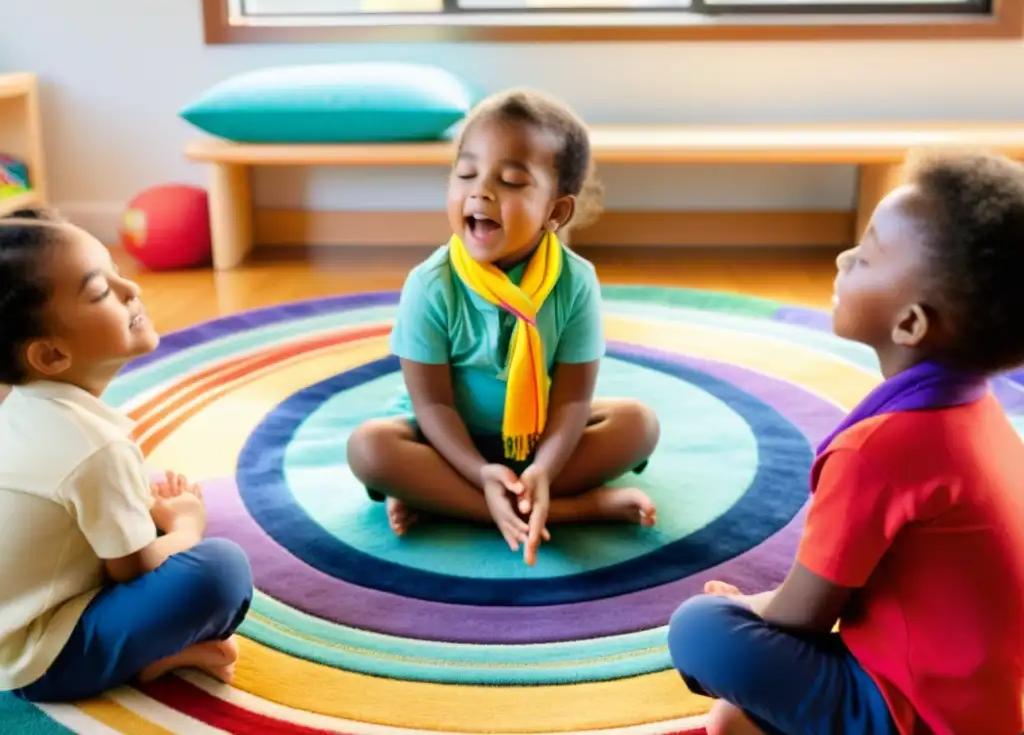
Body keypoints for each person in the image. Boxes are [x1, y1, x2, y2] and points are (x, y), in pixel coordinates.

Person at [667, 150, 1024, 735]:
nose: (841, 257)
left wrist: (744, 611)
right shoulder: (983, 415)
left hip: (903, 713)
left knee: (699, 628)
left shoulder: (878, 451)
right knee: (735, 712)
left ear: (910, 324)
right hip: (971, 705)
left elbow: (801, 616)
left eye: (866, 256)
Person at [347, 88, 661, 566]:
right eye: (466, 173)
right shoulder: (431, 284)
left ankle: (446, 499)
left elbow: (573, 399)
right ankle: (572, 509)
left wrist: (543, 468)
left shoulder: (574, 282)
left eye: (512, 181)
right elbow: (431, 403)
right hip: (446, 438)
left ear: (556, 212)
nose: (481, 191)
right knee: (369, 448)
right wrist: (478, 471)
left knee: (638, 424)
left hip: (540, 437)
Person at [0, 210, 253, 703]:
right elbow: (134, 569)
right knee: (220, 570)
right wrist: (186, 527)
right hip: (45, 664)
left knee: (146, 504)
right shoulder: (94, 448)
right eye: (101, 292)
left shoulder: (23, 402)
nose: (130, 288)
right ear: (51, 356)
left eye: (116, 269)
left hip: (18, 625)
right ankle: (148, 656)